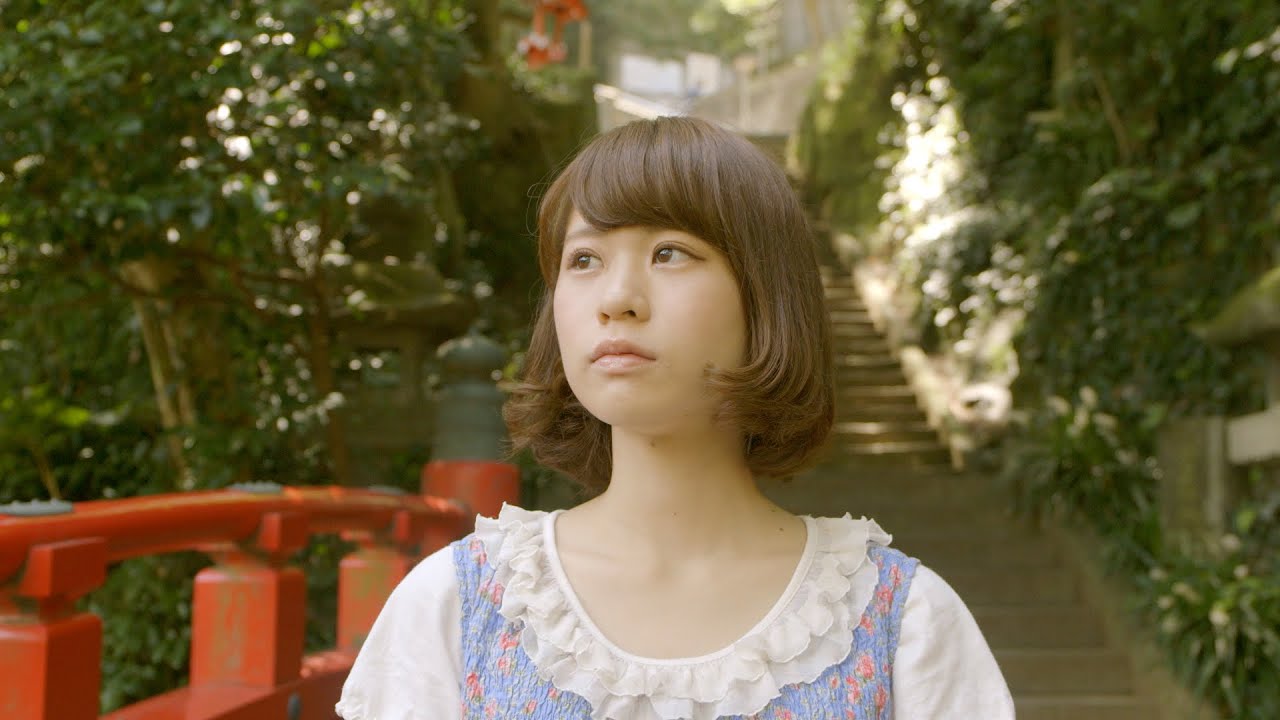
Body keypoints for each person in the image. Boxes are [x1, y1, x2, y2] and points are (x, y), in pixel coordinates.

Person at [335, 117, 1015, 719]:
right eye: (584, 260)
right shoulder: (460, 607)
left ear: (766, 299)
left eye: (669, 253)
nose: (617, 298)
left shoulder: (899, 622)